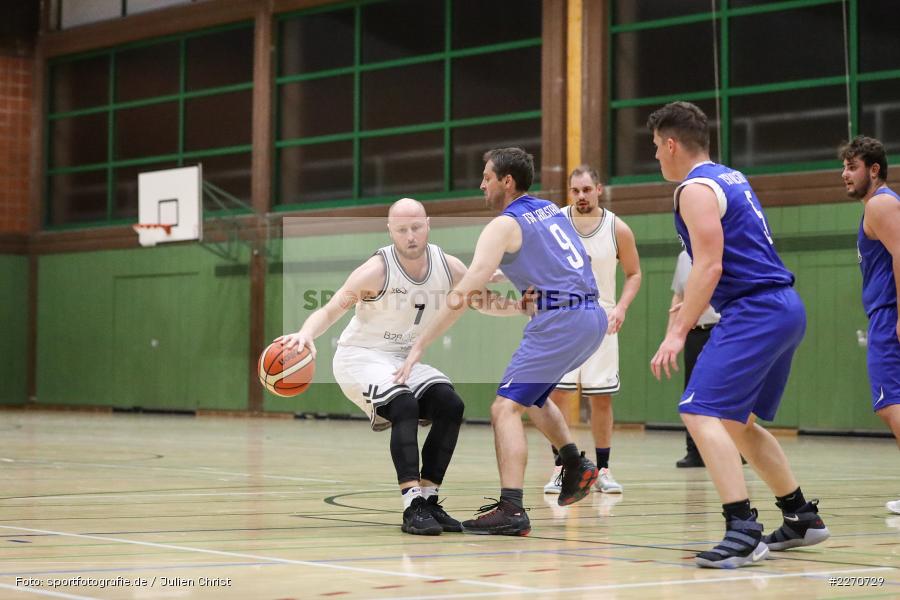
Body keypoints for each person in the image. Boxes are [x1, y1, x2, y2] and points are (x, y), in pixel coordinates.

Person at [647, 101, 829, 568]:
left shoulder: (693, 189)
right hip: (783, 307)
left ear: (672, 144)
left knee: (698, 410)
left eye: (657, 147)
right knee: (737, 423)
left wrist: (677, 332)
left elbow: (710, 266)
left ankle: (743, 529)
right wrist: (687, 309)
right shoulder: (731, 177)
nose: (656, 156)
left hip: (756, 311)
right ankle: (801, 516)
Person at [278, 198, 522, 536]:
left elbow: (483, 301)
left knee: (450, 404)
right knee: (404, 404)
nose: (410, 236)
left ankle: (429, 500)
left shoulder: (448, 265)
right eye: (402, 229)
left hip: (401, 357)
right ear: (390, 231)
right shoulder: (375, 270)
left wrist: (522, 307)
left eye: (416, 227)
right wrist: (306, 333)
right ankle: (412, 505)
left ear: (428, 225)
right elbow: (331, 309)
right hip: (360, 357)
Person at [395, 147, 604, 536]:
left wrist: (421, 344)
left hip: (560, 320)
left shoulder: (503, 225)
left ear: (507, 182)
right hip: (591, 316)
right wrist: (512, 279)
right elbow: (569, 261)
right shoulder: (548, 210)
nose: (481, 184)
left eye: (487, 177)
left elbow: (464, 294)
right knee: (532, 397)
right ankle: (575, 463)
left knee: (504, 408)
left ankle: (512, 508)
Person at [542, 165, 642, 495]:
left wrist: (621, 307)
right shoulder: (554, 222)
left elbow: (634, 274)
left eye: (587, 189)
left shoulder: (617, 228)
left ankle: (603, 470)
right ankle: (562, 468)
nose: (581, 196)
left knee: (600, 397)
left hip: (602, 318)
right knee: (557, 395)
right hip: (564, 319)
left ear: (599, 189)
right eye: (575, 190)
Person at [839, 135, 900, 516]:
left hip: (890, 314)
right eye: (844, 167)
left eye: (852, 167)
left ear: (874, 170)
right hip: (885, 313)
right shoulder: (879, 206)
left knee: (890, 403)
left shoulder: (881, 204)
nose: (845, 175)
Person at [669, 250, 720, 468]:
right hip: (693, 332)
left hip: (720, 329)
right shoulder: (683, 257)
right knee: (692, 391)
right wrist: (671, 336)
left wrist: (697, 304)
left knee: (723, 390)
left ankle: (736, 448)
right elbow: (678, 296)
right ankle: (694, 451)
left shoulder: (718, 250)